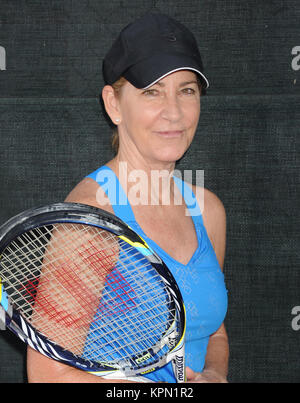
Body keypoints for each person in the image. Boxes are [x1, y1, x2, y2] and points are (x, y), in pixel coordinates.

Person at [27, 13, 229, 383]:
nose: (174, 112)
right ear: (114, 104)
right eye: (152, 91)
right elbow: (48, 373)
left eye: (186, 90)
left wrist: (214, 374)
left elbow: (213, 331)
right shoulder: (91, 218)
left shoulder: (207, 210)